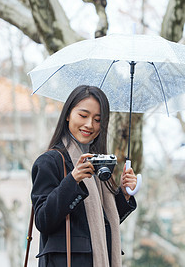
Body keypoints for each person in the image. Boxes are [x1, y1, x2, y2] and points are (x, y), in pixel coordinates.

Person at [31, 85, 137, 267]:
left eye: (97, 119)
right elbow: (43, 220)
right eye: (83, 115)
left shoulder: (99, 163)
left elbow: (103, 223)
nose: (89, 125)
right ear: (67, 115)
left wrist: (124, 194)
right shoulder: (50, 161)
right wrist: (73, 180)